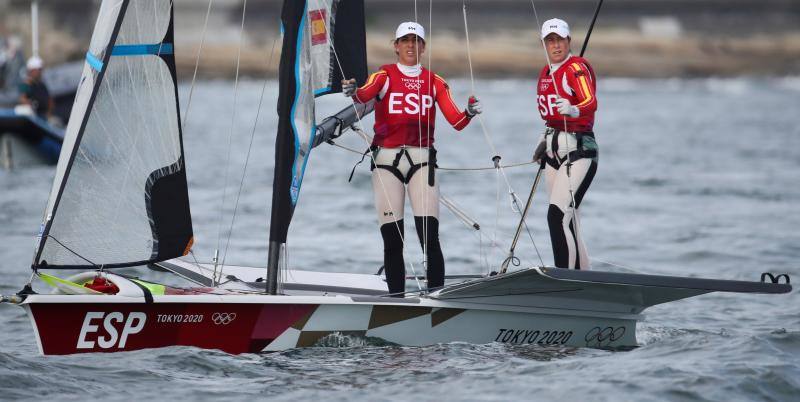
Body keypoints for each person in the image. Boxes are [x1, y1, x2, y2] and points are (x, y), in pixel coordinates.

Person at [342, 22, 482, 295]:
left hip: (422, 162)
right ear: (396, 46)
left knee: (429, 236)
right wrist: (352, 89)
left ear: (423, 47)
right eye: (405, 40)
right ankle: (397, 298)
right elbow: (363, 95)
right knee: (393, 240)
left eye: (415, 41)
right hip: (386, 162)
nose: (410, 45)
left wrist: (470, 111)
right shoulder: (383, 75)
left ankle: (437, 297)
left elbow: (456, 121)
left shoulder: (435, 82)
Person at [532, 18, 598, 270]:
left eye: (560, 40)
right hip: (553, 151)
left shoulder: (576, 68)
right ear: (544, 44)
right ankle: (583, 278)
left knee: (557, 216)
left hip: (579, 151)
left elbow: (590, 101)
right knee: (569, 220)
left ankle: (564, 280)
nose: (556, 45)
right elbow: (550, 116)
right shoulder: (546, 72)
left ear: (569, 41)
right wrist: (543, 139)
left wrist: (572, 108)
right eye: (550, 41)